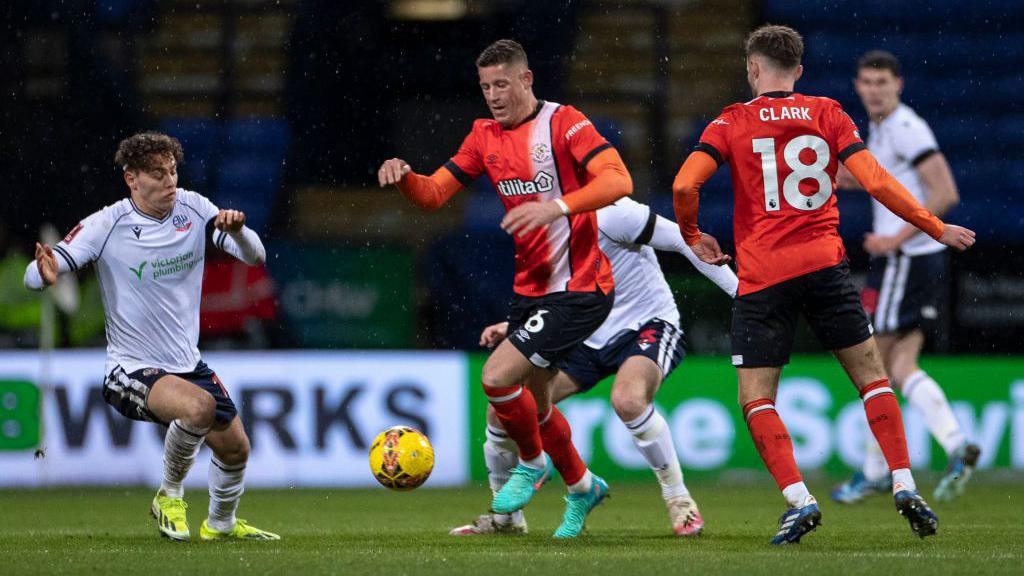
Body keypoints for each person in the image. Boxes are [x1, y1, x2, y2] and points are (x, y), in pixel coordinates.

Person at [672, 24, 976, 545]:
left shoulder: (732, 120)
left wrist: (694, 235)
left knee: (757, 398)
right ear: (800, 71)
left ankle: (799, 500)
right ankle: (904, 483)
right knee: (875, 379)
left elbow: (684, 183)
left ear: (752, 68)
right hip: (824, 267)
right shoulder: (827, 112)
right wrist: (935, 226)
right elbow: (877, 180)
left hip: (764, 277)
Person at [378, 39, 632, 538]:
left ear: (526, 79)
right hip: (532, 292)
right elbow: (433, 195)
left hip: (581, 287)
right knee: (536, 405)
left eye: (501, 84)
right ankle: (582, 487)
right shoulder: (483, 135)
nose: (493, 95)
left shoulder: (565, 123)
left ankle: (533, 464)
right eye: (485, 86)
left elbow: (618, 180)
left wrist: (556, 207)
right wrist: (406, 177)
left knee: (496, 379)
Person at [24, 132, 278, 542]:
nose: (169, 182)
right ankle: (169, 495)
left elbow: (256, 257)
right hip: (130, 368)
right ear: (132, 179)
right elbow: (39, 270)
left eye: (173, 171)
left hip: (187, 363)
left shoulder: (195, 209)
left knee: (236, 449)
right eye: (158, 174)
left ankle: (221, 524)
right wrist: (43, 275)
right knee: (198, 408)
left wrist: (239, 232)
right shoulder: (107, 224)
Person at [450, 197, 738, 537]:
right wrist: (516, 328)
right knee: (503, 412)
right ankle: (507, 520)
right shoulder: (542, 222)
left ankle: (679, 501)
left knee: (629, 400)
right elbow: (550, 290)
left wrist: (744, 299)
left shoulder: (615, 212)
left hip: (646, 323)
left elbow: (685, 241)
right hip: (583, 329)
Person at [831, 50, 980, 504]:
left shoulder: (907, 127)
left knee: (874, 369)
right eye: (867, 82)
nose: (874, 90)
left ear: (899, 84)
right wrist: (824, 174)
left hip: (907, 259)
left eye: (882, 82)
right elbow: (879, 177)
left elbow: (944, 192)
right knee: (895, 369)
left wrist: (893, 240)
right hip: (924, 260)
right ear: (857, 86)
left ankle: (885, 467)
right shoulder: (882, 129)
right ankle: (952, 444)